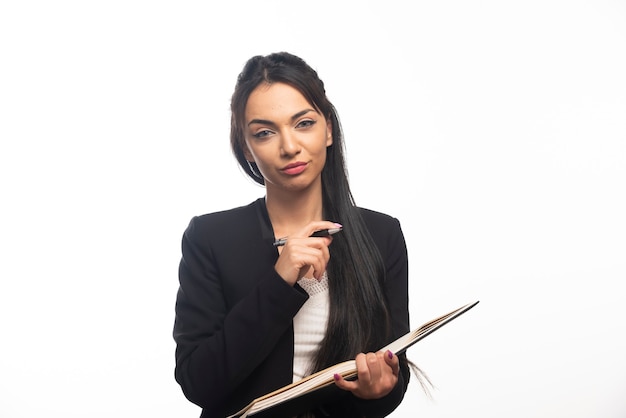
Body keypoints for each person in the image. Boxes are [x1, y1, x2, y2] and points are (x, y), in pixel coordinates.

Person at [173, 52, 413, 418]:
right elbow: (198, 382)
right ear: (246, 148)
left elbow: (394, 376)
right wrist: (279, 282)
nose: (289, 147)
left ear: (328, 129)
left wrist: (381, 390)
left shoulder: (382, 235)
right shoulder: (210, 238)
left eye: (303, 123)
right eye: (265, 132)